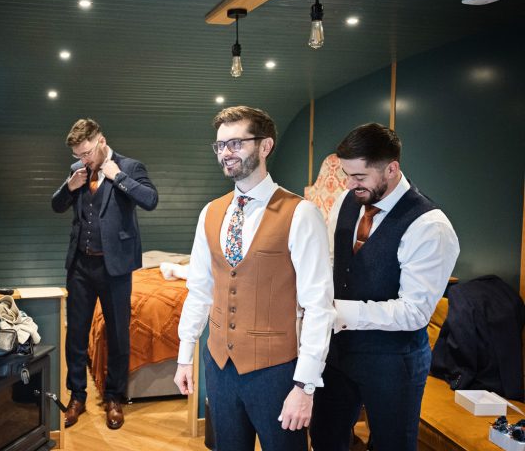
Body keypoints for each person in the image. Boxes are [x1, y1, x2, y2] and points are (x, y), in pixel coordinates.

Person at [174, 106, 335, 451]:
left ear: (265, 146)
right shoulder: (211, 212)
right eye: (220, 145)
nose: (225, 153)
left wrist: (305, 387)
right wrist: (185, 355)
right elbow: (199, 289)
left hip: (275, 373)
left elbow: (319, 306)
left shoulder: (300, 214)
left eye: (236, 143)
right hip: (218, 368)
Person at [309, 123, 460, 451]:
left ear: (392, 169)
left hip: (394, 360)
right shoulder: (347, 201)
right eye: (347, 175)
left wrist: (336, 311)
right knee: (325, 438)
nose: (350, 185)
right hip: (338, 353)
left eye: (359, 177)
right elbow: (335, 260)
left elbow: (414, 312)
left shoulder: (430, 227)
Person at [51, 118, 158, 430]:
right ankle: (77, 396)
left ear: (101, 141)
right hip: (80, 266)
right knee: (76, 334)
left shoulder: (129, 166)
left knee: (118, 334)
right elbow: (57, 205)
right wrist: (67, 186)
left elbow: (151, 200)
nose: (83, 160)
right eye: (78, 155)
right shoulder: (77, 171)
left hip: (116, 268)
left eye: (86, 153)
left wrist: (119, 177)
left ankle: (114, 396)